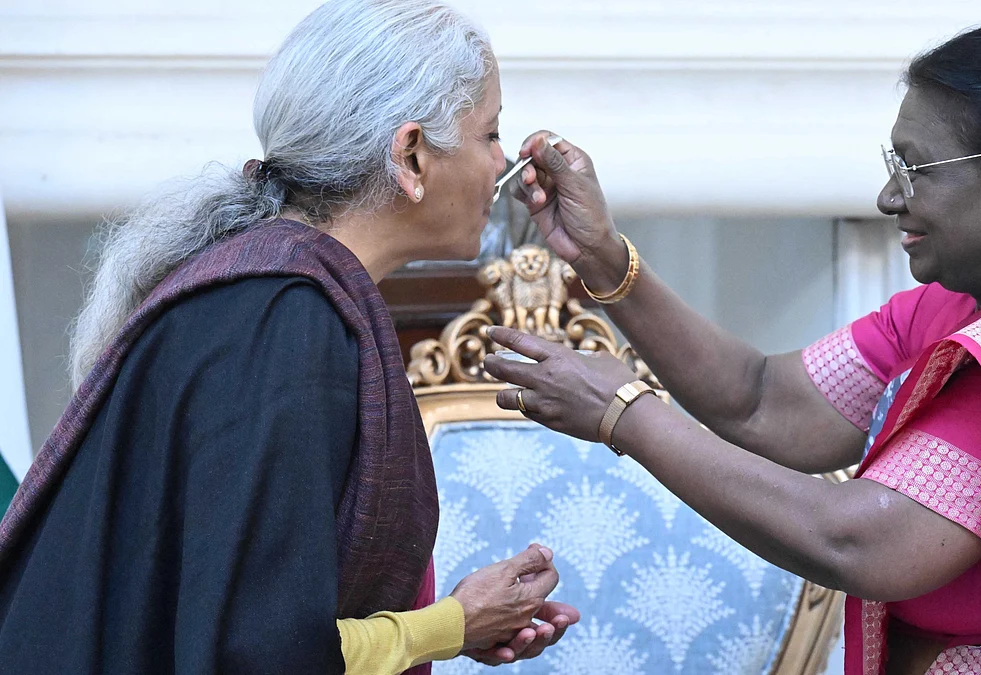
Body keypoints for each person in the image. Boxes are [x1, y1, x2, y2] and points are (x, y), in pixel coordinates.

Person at [482, 22, 981, 675]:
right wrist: (604, 258)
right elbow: (764, 399)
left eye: (917, 168)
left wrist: (625, 414)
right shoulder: (956, 304)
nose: (890, 196)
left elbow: (858, 541)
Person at [0, 1, 579, 673]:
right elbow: (255, 654)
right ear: (412, 155)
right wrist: (450, 624)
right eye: (490, 134)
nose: (503, 163)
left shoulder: (275, 295)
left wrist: (451, 623)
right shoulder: (283, 321)